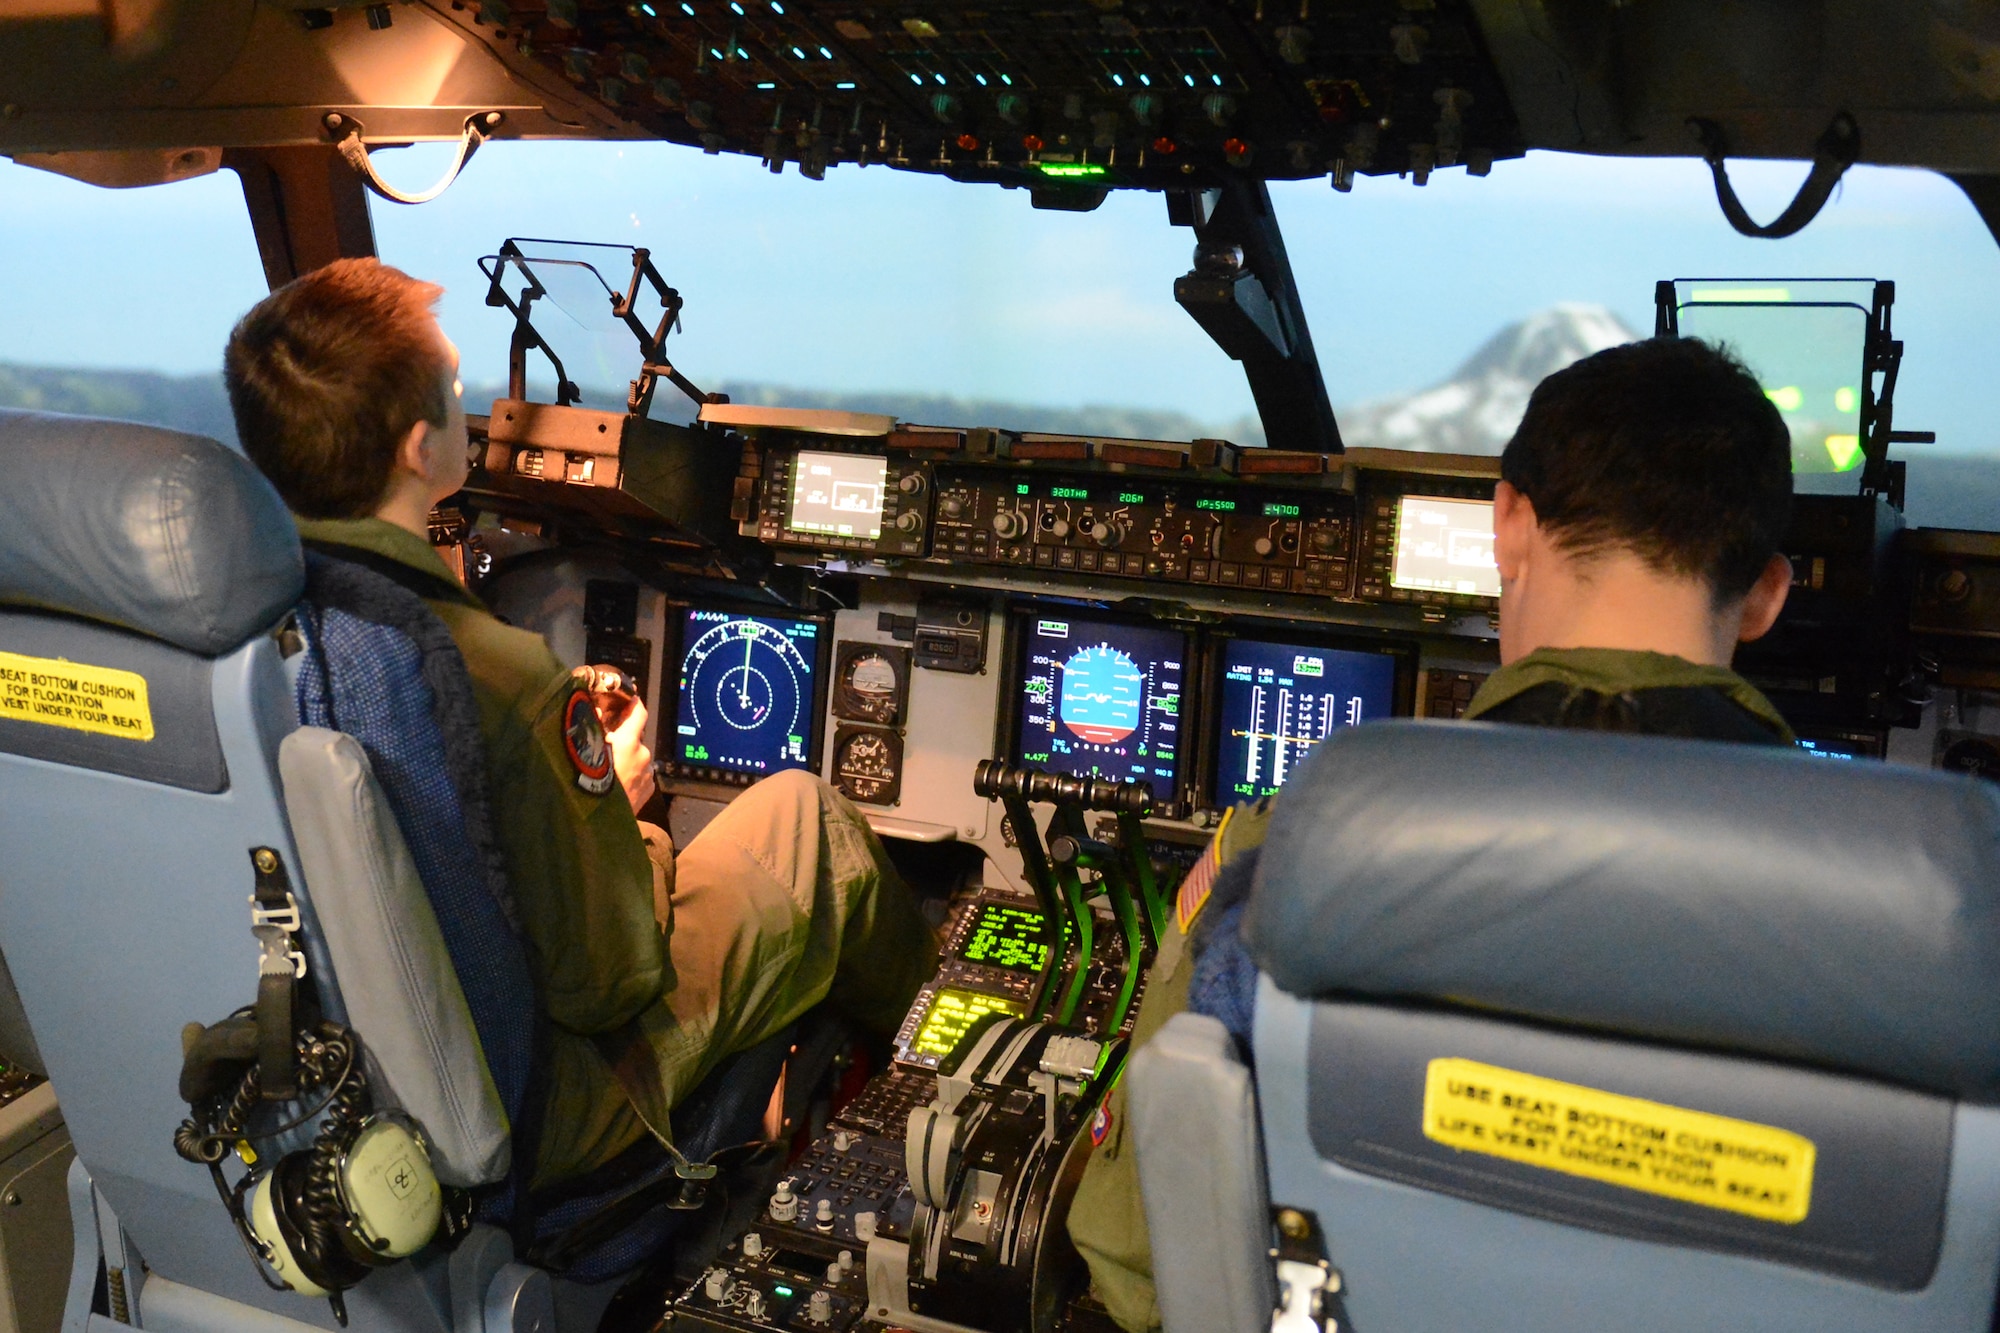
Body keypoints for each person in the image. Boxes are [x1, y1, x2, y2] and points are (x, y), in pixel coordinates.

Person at [1067, 335, 1797, 1332]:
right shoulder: (1930, 910)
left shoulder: (1297, 854)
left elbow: (1139, 1262)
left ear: (1506, 522)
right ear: (1762, 592)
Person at [223, 258, 937, 1188]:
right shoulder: (500, 673)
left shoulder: (271, 635)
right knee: (805, 818)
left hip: (356, 1069)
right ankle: (939, 1082)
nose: (465, 398)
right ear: (414, 448)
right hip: (551, 1096)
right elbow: (612, 980)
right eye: (450, 385)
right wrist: (634, 814)